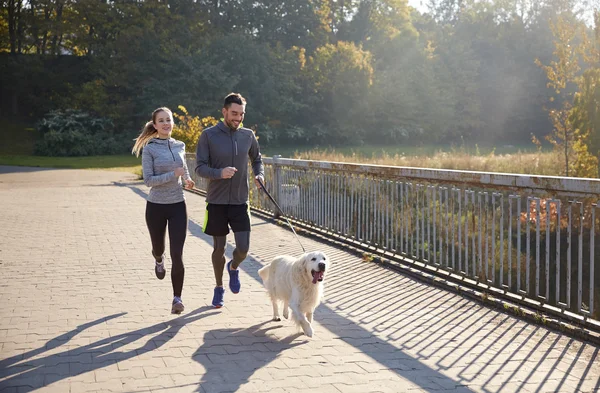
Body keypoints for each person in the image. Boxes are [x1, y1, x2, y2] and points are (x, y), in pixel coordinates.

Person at [195, 93, 264, 308]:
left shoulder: (247, 135)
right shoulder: (208, 135)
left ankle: (233, 267)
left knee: (243, 248)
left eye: (241, 114)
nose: (238, 118)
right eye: (234, 113)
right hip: (216, 202)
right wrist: (219, 173)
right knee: (218, 248)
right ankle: (218, 288)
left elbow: (257, 159)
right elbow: (199, 168)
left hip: (240, 200)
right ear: (224, 111)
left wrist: (259, 174)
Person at [132, 107, 195, 314]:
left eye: (168, 120)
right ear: (155, 125)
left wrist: (187, 179)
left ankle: (177, 299)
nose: (166, 123)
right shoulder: (150, 148)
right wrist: (172, 175)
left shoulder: (180, 145)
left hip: (178, 205)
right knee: (159, 248)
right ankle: (158, 259)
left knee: (177, 254)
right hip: (156, 207)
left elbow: (182, 167)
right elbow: (148, 181)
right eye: (162, 120)